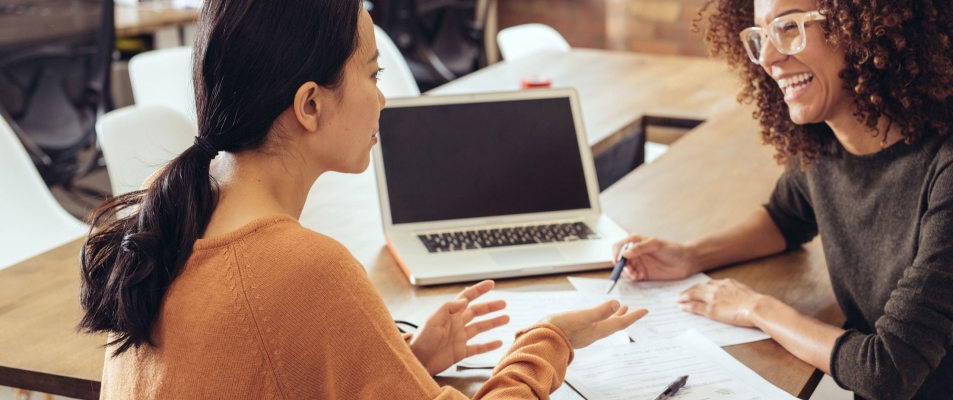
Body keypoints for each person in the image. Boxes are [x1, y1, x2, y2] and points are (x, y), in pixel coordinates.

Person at [76, 0, 646, 397]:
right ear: (309, 105)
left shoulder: (170, 214)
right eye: (373, 74)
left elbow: (267, 372)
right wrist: (549, 342)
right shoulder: (302, 269)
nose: (383, 98)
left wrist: (404, 361)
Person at [613, 0, 953, 399]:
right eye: (760, 35)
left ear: (865, 25)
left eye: (791, 27)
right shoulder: (826, 144)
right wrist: (688, 254)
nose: (770, 57)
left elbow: (886, 370)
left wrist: (756, 308)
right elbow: (784, 218)